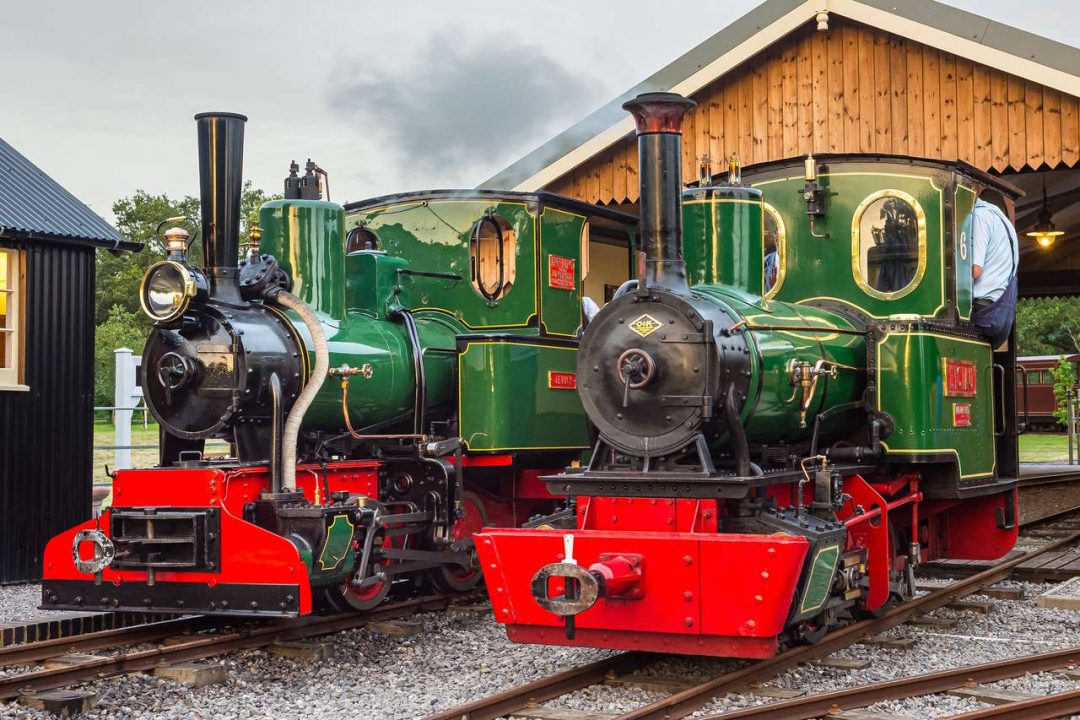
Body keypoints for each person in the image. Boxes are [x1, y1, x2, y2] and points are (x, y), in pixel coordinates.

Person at [969, 189, 1019, 348]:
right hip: (1004, 311)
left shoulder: (980, 216)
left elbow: (975, 270)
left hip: (985, 311)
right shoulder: (1003, 220)